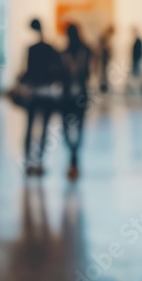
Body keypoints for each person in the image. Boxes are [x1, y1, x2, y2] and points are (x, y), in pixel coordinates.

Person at [18, 18, 63, 176]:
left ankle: (28, 160)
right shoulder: (51, 49)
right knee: (43, 129)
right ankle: (39, 161)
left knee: (30, 127)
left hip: (35, 93)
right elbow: (58, 73)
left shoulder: (32, 49)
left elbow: (27, 73)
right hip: (48, 94)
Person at [60, 24, 91, 180]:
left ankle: (73, 157)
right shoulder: (72, 53)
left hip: (73, 96)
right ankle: (73, 155)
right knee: (74, 128)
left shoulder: (77, 52)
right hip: (75, 96)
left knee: (71, 128)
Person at [129, 26, 142, 94]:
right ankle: (138, 89)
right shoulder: (136, 41)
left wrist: (137, 60)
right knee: (137, 75)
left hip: (137, 60)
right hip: (135, 60)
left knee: (139, 75)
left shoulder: (138, 41)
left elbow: (139, 52)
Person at [96, 25, 114, 93]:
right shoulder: (104, 37)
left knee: (104, 73)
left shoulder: (105, 37)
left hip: (104, 58)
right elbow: (101, 48)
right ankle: (103, 88)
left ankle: (103, 87)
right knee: (103, 74)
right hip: (103, 58)